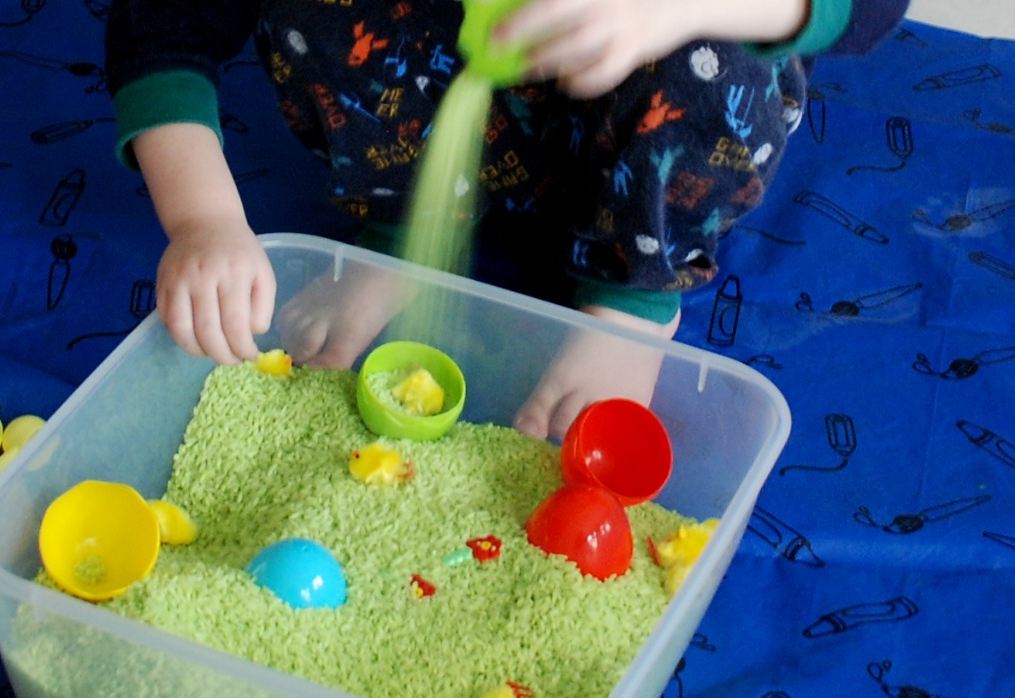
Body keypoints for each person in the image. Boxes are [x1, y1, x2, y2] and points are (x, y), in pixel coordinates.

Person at [104, 0, 909, 440]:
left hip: (653, 111)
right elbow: (163, 22)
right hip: (452, 91)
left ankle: (629, 297)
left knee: (712, 58)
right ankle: (409, 220)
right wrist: (205, 220)